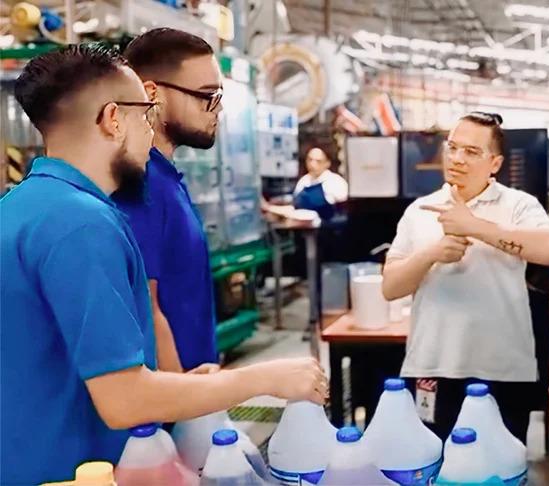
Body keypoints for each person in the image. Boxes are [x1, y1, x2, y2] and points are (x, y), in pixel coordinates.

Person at [0, 44, 327, 485]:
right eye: (145, 113)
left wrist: (188, 385)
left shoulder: (22, 207)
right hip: (68, 470)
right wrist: (265, 378)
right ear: (113, 119)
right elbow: (124, 400)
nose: (150, 131)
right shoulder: (81, 224)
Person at [382, 112, 549, 443]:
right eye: (452, 148)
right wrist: (431, 254)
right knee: (436, 466)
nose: (457, 159)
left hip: (504, 372)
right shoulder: (420, 210)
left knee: (501, 471)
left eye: (471, 152)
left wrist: (473, 226)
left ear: (494, 163)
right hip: (433, 367)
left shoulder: (518, 205)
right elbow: (391, 287)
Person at [110, 28, 225, 373]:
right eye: (207, 96)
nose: (216, 109)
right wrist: (184, 401)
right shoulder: (140, 182)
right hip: (172, 407)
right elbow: (146, 304)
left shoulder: (165, 178)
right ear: (152, 95)